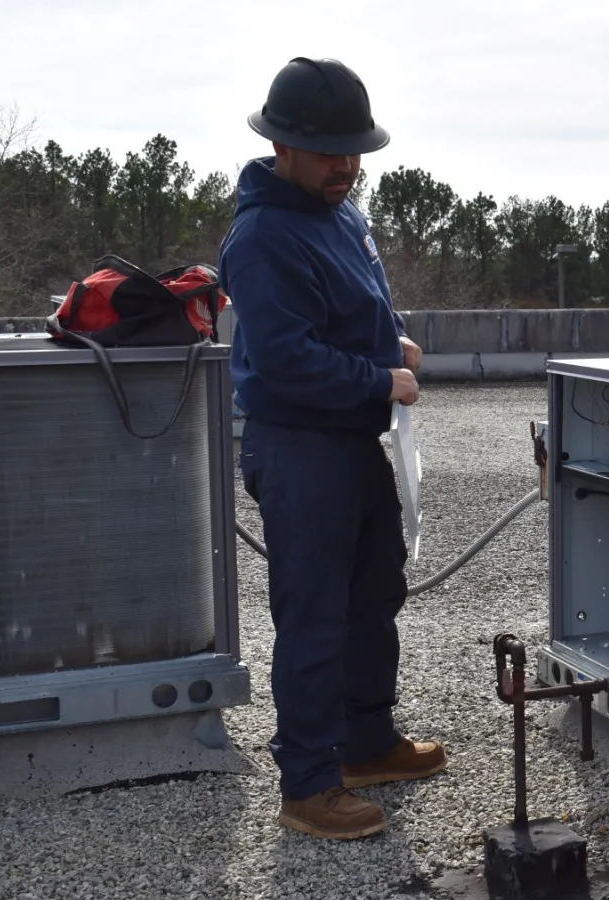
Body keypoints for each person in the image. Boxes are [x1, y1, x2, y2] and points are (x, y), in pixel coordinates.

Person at [219, 56, 443, 841]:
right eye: (331, 153)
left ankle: (366, 742)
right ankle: (308, 785)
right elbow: (286, 360)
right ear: (283, 147)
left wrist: (393, 340)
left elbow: (349, 309)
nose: (348, 166)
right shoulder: (263, 236)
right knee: (314, 616)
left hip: (350, 443)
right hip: (299, 448)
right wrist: (383, 381)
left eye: (356, 151)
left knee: (374, 592)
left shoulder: (340, 213)